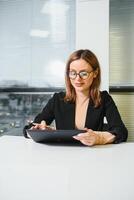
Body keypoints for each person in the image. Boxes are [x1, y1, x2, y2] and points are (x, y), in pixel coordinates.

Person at [23, 49, 128, 146]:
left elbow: (121, 132)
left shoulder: (104, 98)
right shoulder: (57, 99)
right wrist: (38, 130)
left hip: (93, 156)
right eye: (73, 73)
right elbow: (29, 129)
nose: (78, 78)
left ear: (95, 73)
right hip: (63, 156)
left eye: (84, 73)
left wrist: (99, 138)